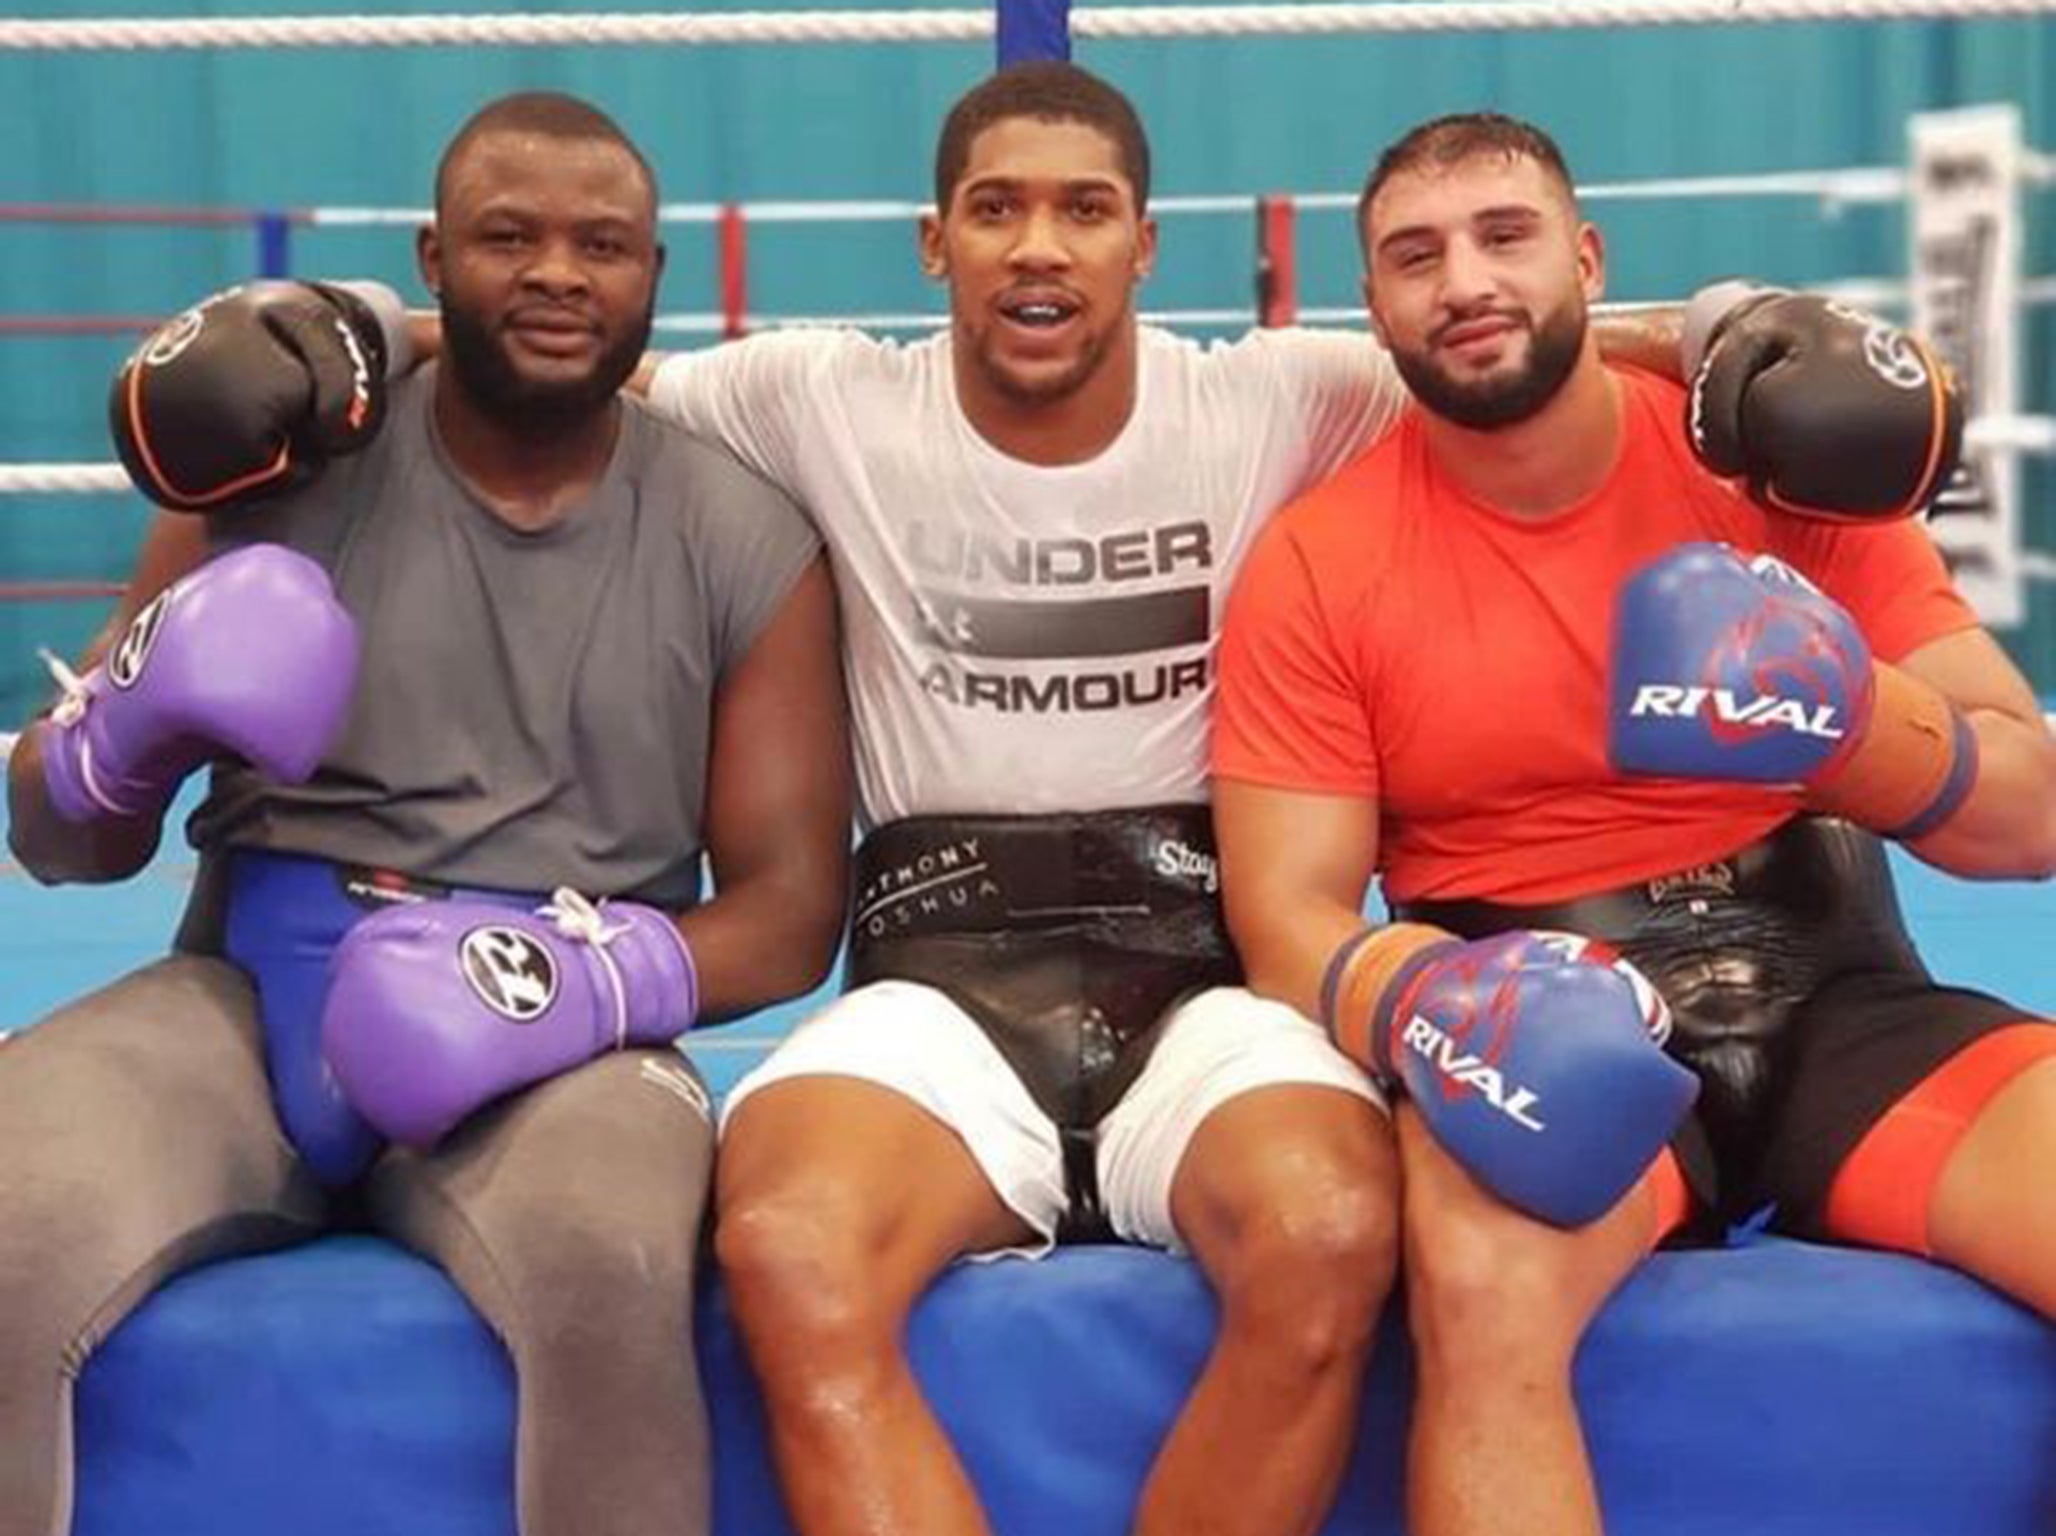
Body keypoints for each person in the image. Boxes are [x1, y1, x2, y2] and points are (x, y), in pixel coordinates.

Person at [124, 63, 1952, 1536]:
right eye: (997, 207)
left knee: (1330, 1232)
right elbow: (554, 331)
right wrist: (352, 324)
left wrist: (1731, 334)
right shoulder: (814, 399)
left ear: (1146, 243)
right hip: (937, 965)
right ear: (936, 242)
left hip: (1208, 961)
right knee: (783, 1240)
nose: (1038, 243)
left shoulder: (1288, 397)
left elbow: (1501, 323)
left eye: (1082, 207)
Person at [0, 90, 850, 1536]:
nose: (559, 275)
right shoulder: (276, 473)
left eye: (604, 246)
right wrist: (122, 736)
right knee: (9, 1220)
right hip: (243, 991)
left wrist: (581, 985)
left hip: (555, 1035)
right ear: (432, 257)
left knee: (609, 1270)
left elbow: (788, 910)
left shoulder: (742, 535)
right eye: (508, 237)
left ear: (657, 275)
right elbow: (61, 846)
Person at [1212, 110, 2056, 1536]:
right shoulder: (1320, 559)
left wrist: (1858, 728)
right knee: (1478, 1298)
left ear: (1589, 259)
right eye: (1415, 257)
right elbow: (1285, 913)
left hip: (1842, 988)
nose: (1464, 282)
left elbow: (2025, 816)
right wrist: (1428, 991)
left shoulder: (1778, 473)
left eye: (1505, 235)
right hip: (1541, 1004)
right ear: (1373, 308)